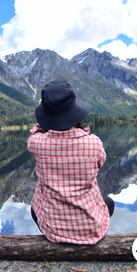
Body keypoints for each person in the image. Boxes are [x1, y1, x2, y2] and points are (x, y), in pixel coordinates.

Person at [28, 80, 114, 245]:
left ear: (46, 116)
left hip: (53, 230)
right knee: (108, 202)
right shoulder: (94, 143)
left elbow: (35, 133)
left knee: (34, 209)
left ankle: (59, 233)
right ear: (76, 111)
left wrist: (44, 118)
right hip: (91, 229)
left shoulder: (36, 144)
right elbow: (100, 163)